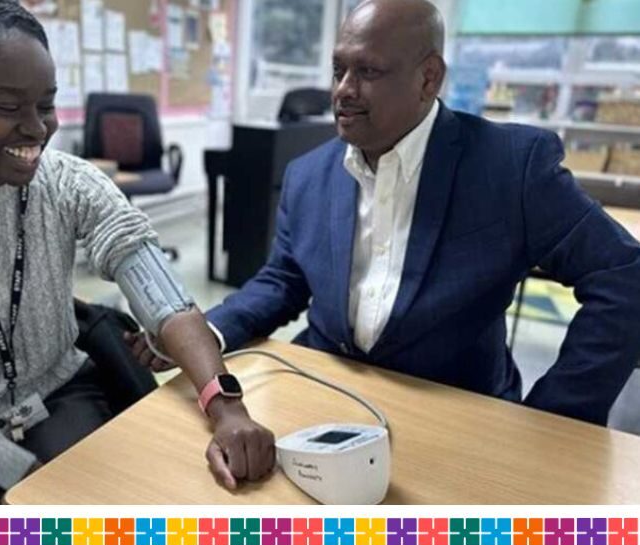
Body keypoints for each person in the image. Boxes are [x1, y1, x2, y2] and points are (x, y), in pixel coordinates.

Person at [0, 0, 273, 504]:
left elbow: (164, 295)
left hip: (56, 395)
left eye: (46, 104)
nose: (38, 128)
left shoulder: (68, 181)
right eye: (7, 107)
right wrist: (26, 475)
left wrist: (226, 407)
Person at [133, 0, 640, 427]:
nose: (343, 90)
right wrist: (205, 333)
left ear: (428, 79)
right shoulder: (309, 174)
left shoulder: (510, 167)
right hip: (328, 396)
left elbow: (624, 274)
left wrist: (555, 419)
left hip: (460, 411)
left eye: (368, 71)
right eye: (338, 70)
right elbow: (284, 279)